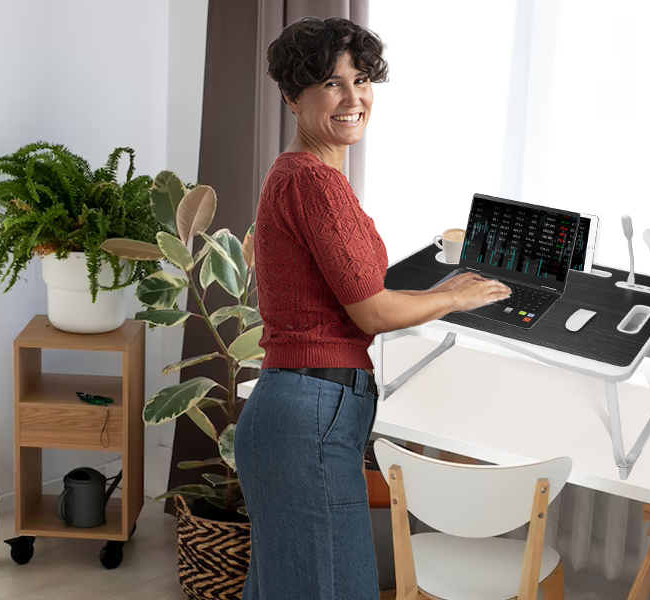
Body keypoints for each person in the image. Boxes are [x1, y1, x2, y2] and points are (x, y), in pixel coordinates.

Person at [234, 16, 510, 599]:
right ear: (292, 96)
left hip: (289, 410)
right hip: (310, 415)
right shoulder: (317, 184)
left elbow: (357, 294)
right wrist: (454, 298)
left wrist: (439, 292)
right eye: (332, 84)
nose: (353, 97)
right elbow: (373, 314)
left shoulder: (293, 175)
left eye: (361, 80)